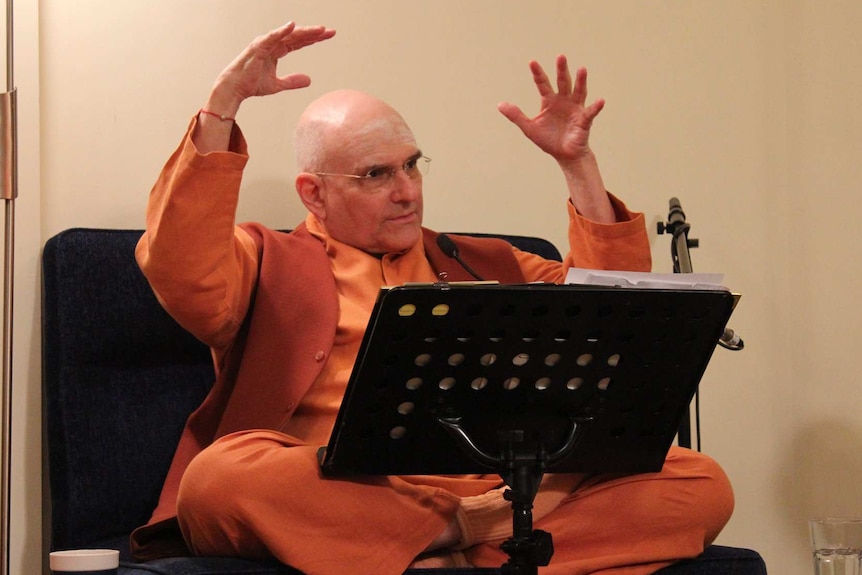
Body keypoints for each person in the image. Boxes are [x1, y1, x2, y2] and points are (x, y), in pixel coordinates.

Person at [132, 20, 733, 575]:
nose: (406, 192)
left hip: (501, 483)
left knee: (698, 480)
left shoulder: (483, 260)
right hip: (349, 493)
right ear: (313, 194)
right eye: (377, 175)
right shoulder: (264, 260)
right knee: (220, 477)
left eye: (412, 166)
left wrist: (577, 167)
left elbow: (613, 314)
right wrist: (220, 111)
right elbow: (182, 270)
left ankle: (449, 554)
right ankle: (485, 541)